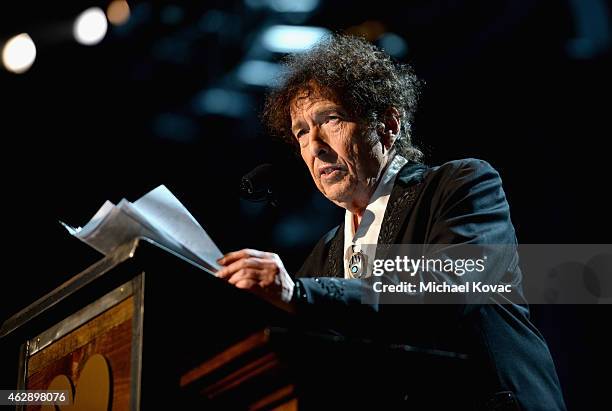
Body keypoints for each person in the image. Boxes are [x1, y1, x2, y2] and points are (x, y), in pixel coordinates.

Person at [216, 34, 566, 410]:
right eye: (301, 131)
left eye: (329, 119)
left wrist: (300, 295)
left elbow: (448, 286)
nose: (314, 146)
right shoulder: (324, 255)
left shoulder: (461, 186)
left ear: (387, 125)